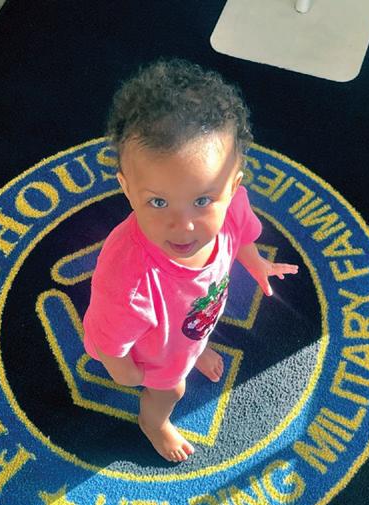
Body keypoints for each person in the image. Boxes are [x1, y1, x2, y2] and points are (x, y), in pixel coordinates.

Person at [83, 59, 298, 463]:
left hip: (189, 322)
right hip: (153, 352)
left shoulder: (232, 207)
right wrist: (125, 371)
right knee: (172, 389)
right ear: (127, 189)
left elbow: (241, 236)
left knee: (195, 328)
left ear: (232, 188)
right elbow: (109, 337)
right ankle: (154, 423)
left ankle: (195, 348)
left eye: (202, 200)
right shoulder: (128, 277)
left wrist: (257, 263)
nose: (183, 226)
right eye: (158, 202)